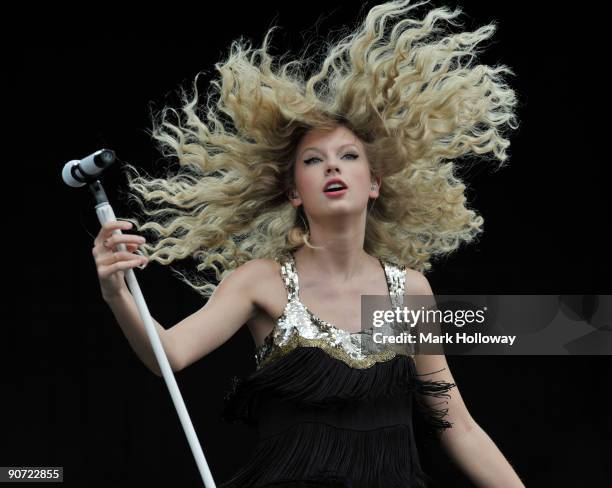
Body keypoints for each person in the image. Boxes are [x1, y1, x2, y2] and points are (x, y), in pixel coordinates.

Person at [91, 1, 524, 486]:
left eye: (348, 156)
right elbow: (167, 356)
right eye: (314, 160)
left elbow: (459, 427)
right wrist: (117, 293)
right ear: (294, 191)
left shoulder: (410, 293)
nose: (333, 167)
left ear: (374, 181)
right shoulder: (262, 281)